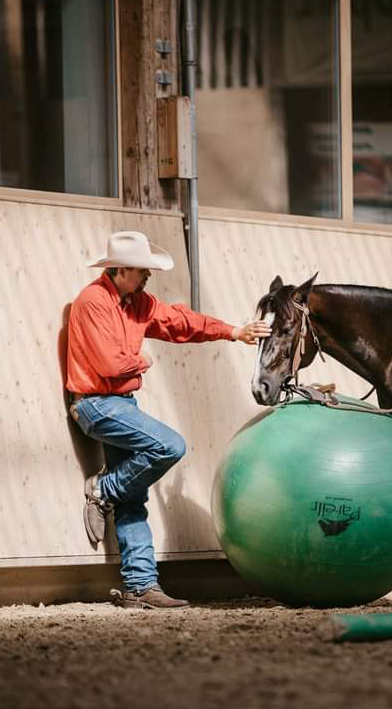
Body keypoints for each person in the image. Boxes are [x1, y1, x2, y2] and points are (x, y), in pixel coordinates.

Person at [67, 231, 271, 609]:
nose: (149, 276)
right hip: (97, 405)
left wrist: (232, 332)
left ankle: (139, 587)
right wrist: (142, 360)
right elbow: (110, 363)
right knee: (169, 445)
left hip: (121, 404)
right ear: (122, 268)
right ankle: (103, 490)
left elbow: (180, 322)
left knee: (133, 497)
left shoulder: (139, 302)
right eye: (144, 270)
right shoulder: (92, 302)